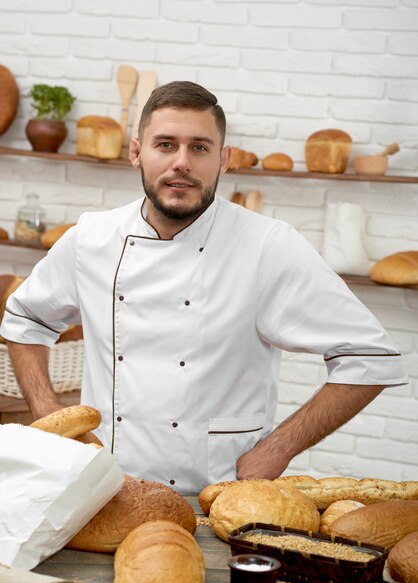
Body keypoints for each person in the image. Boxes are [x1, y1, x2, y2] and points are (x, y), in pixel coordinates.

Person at [1, 81, 407, 495]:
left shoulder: (269, 245)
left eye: (199, 147)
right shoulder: (91, 237)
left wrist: (279, 449)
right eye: (165, 145)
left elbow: (370, 358)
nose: (182, 163)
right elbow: (25, 320)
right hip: (102, 487)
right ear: (136, 153)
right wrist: (48, 411)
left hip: (218, 495)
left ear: (223, 159)